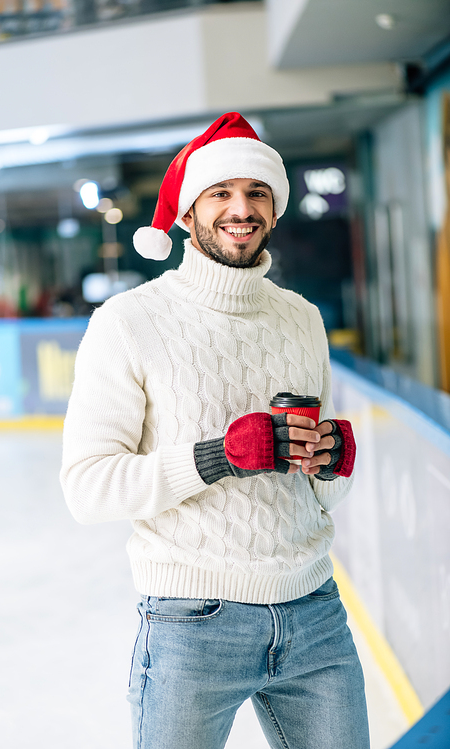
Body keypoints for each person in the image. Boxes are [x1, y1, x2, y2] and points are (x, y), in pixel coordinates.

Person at [60, 112, 369, 749]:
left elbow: (312, 493)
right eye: (220, 192)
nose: (241, 208)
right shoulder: (129, 322)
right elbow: (87, 489)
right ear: (188, 211)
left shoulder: (301, 318)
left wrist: (332, 463)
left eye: (257, 192)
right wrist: (215, 457)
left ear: (276, 208)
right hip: (190, 623)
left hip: (313, 610)